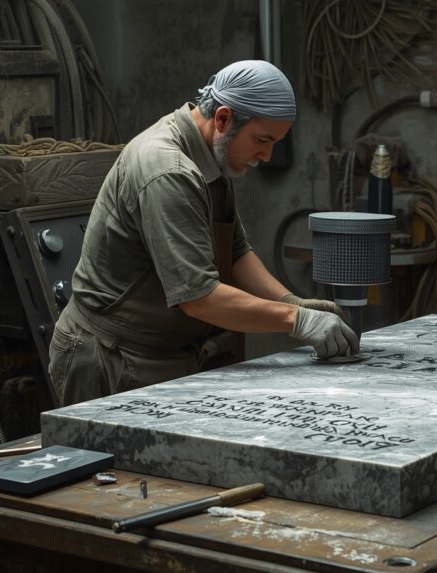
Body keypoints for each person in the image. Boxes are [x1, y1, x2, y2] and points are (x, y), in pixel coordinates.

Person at [49, 60, 356, 407]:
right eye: (262, 140)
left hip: (164, 353)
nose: (267, 156)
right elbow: (199, 297)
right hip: (110, 360)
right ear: (223, 118)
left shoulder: (212, 155)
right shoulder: (168, 171)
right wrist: (296, 320)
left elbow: (236, 252)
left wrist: (290, 302)